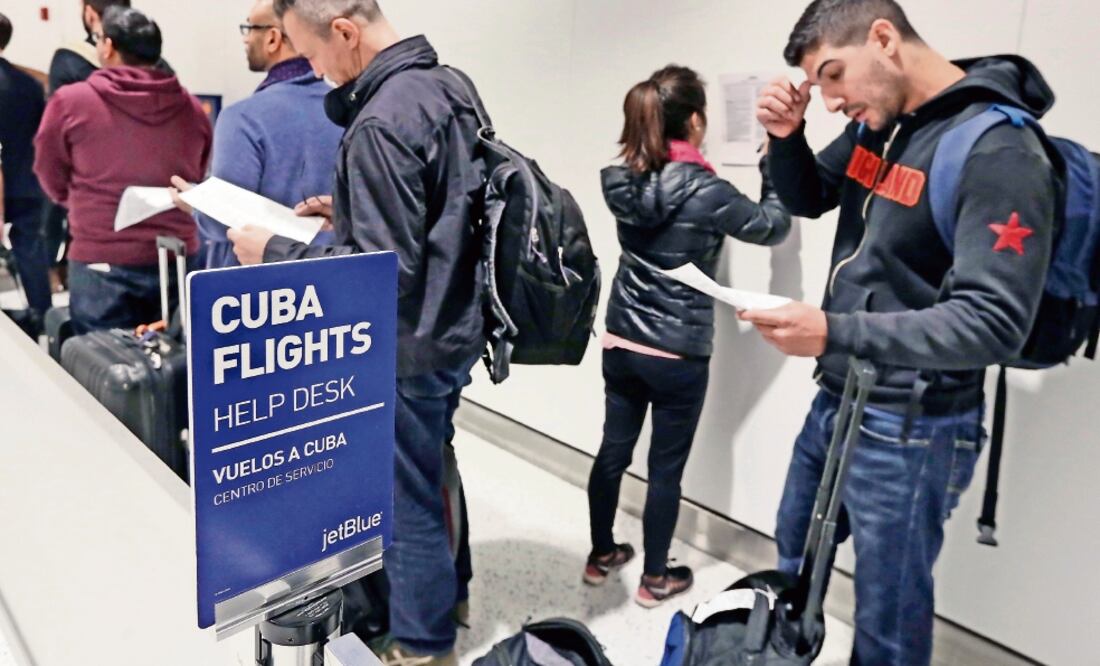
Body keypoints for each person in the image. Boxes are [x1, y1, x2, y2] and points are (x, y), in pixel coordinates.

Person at [746, 1, 1057, 663]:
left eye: (833, 76)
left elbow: (993, 321)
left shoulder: (998, 147)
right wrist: (785, 137)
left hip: (916, 424)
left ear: (883, 38)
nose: (829, 100)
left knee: (887, 618)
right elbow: (809, 196)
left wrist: (833, 330)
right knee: (793, 557)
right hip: (838, 397)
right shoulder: (880, 125)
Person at [228, 1, 486, 664]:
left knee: (404, 502)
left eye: (313, 54)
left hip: (406, 344)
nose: (315, 70)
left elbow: (384, 274)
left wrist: (276, 253)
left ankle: (424, 647)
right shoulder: (449, 86)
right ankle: (451, 597)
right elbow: (437, 211)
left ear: (344, 31)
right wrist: (349, 210)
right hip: (454, 328)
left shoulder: (379, 121)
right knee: (434, 472)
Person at [589, 65, 791, 608]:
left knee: (613, 450)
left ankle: (601, 554)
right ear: (696, 120)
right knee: (664, 471)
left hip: (621, 340)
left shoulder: (622, 181)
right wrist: (772, 169)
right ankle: (656, 580)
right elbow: (773, 225)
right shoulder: (705, 190)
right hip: (676, 353)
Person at [33, 7, 211, 335]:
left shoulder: (71, 102)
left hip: (100, 253)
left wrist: (78, 203)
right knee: (174, 368)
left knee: (101, 369)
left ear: (108, 46)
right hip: (175, 256)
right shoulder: (190, 107)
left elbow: (47, 169)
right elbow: (197, 173)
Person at [169, 0, 342, 268]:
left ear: (273, 38)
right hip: (329, 278)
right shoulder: (346, 109)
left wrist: (195, 203)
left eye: (249, 28)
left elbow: (222, 222)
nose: (245, 39)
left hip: (258, 290)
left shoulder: (242, 118)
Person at [0, 12, 52, 326]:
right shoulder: (30, 85)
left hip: (7, 180)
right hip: (29, 182)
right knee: (32, 254)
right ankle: (44, 319)